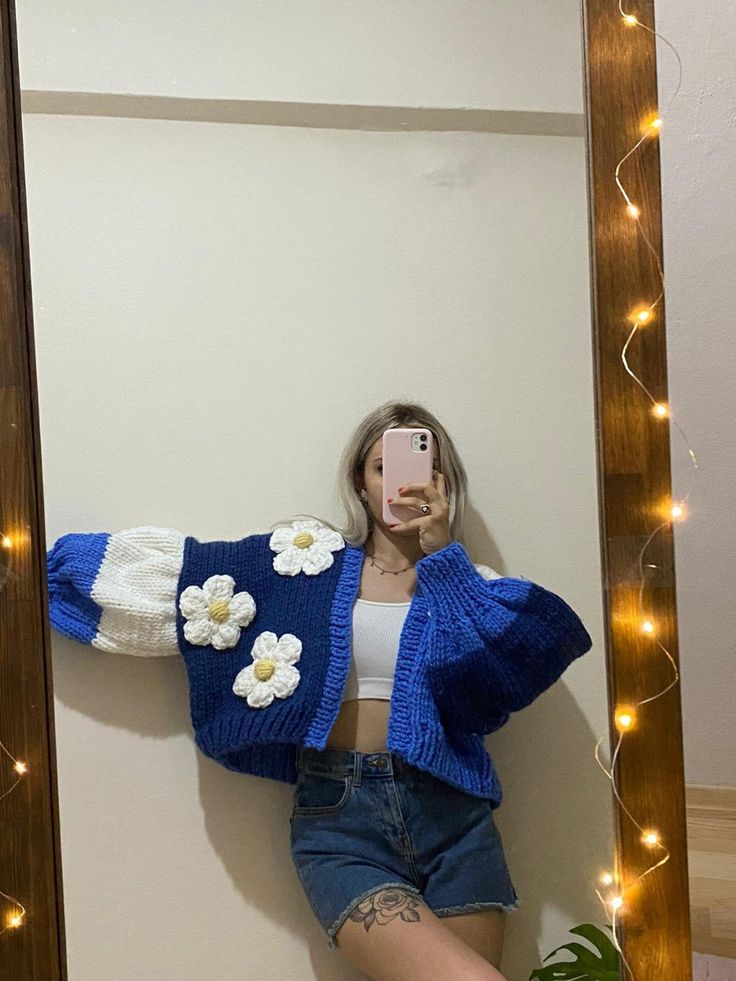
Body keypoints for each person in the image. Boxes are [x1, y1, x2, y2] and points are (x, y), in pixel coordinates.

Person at [46, 399, 593, 981]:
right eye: (383, 468)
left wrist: (444, 559)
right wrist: (62, 574)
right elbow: (200, 588)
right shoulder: (302, 567)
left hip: (456, 816)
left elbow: (528, 658)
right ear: (361, 480)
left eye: (419, 471)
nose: (399, 485)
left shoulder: (470, 586)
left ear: (443, 482)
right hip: (340, 819)